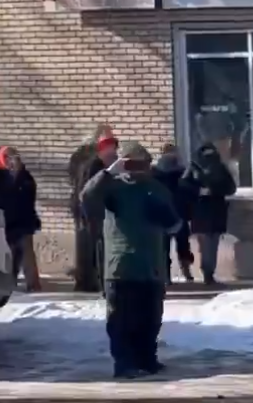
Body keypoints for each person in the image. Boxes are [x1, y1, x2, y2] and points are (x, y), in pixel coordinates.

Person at [81, 141, 180, 378]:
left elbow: (174, 223)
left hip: (151, 266)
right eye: (132, 163)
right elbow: (87, 197)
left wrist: (171, 219)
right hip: (121, 267)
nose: (139, 169)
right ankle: (124, 363)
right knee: (121, 321)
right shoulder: (112, 188)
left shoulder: (157, 188)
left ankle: (147, 359)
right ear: (122, 165)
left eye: (143, 163)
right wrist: (108, 173)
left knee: (150, 318)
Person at [0, 146, 43, 291]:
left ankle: (33, 285)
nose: (10, 161)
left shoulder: (25, 176)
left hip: (24, 221)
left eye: (12, 157)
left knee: (27, 255)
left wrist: (18, 175)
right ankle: (8, 284)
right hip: (5, 222)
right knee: (9, 255)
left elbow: (30, 194)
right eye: (6, 158)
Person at [68, 126, 116, 292]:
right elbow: (86, 189)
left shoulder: (82, 159)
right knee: (91, 246)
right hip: (89, 209)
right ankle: (88, 281)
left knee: (88, 245)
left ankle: (87, 280)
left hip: (85, 208)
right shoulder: (92, 163)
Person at [183, 142, 235, 285]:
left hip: (216, 211)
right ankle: (207, 272)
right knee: (206, 245)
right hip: (200, 212)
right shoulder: (194, 168)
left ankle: (209, 272)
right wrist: (198, 192)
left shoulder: (221, 168)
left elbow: (231, 188)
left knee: (213, 245)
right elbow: (184, 186)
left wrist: (215, 190)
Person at [152, 144, 197, 282]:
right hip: (180, 212)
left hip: (162, 213)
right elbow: (191, 192)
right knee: (183, 244)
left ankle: (166, 275)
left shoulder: (155, 173)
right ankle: (186, 272)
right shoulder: (182, 172)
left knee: (163, 246)